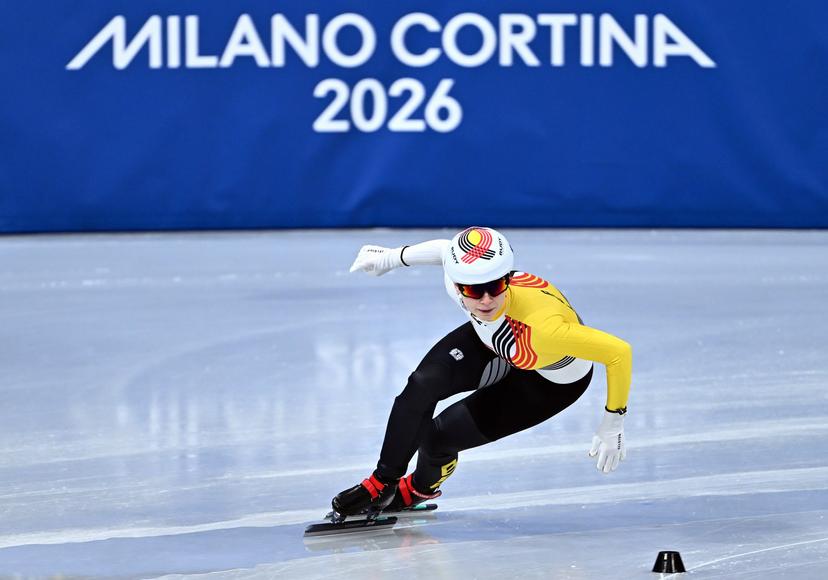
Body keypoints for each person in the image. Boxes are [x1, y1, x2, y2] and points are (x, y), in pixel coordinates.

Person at [332, 227, 632, 517]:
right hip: (497, 343)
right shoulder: (463, 282)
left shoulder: (546, 329)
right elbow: (444, 250)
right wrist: (390, 258)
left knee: (437, 439)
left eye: (496, 286)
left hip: (549, 381)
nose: (486, 300)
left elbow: (618, 353)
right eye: (474, 290)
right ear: (459, 284)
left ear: (506, 278)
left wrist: (613, 423)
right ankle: (382, 484)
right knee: (422, 385)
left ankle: (417, 490)